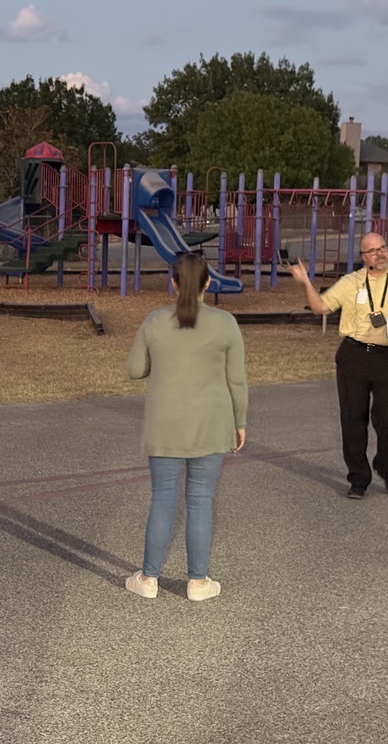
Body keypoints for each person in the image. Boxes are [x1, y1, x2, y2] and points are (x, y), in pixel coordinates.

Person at [125, 252, 248, 602]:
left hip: (164, 424)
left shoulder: (154, 320)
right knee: (200, 501)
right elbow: (237, 381)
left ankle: (148, 578)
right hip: (212, 422)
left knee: (162, 499)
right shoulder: (226, 323)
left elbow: (135, 369)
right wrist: (240, 422)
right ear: (209, 282)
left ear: (173, 282)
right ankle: (197, 582)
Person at [288, 232, 388, 499]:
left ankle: (385, 465)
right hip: (354, 356)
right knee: (353, 419)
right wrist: (305, 282)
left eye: (383, 247)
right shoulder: (350, 282)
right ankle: (358, 479)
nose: (380, 253)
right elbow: (321, 307)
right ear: (363, 257)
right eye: (373, 250)